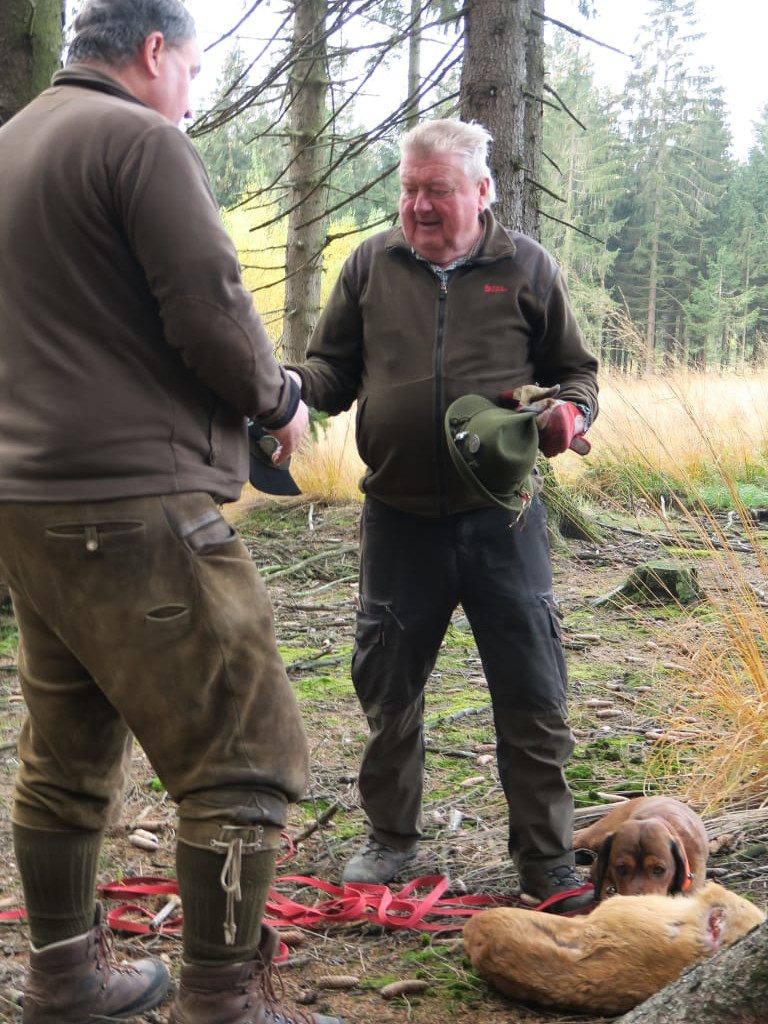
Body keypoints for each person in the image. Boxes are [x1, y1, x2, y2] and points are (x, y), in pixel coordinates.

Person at [0, 2, 341, 1022]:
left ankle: (62, 977)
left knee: (65, 747)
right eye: (191, 70)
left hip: (27, 502)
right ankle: (223, 1001)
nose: (191, 95)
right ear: (153, 54)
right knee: (244, 750)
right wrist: (279, 400)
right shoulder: (139, 140)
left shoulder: (13, 142)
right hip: (132, 503)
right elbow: (206, 302)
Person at [287, 118, 599, 912]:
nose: (418, 207)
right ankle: (390, 838)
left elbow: (575, 375)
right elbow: (331, 371)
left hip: (504, 519)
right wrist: (282, 392)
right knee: (388, 686)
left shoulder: (526, 266)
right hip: (397, 518)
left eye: (437, 191)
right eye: (408, 189)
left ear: (482, 191)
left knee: (532, 690)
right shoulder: (370, 264)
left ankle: (547, 860)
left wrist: (570, 417)